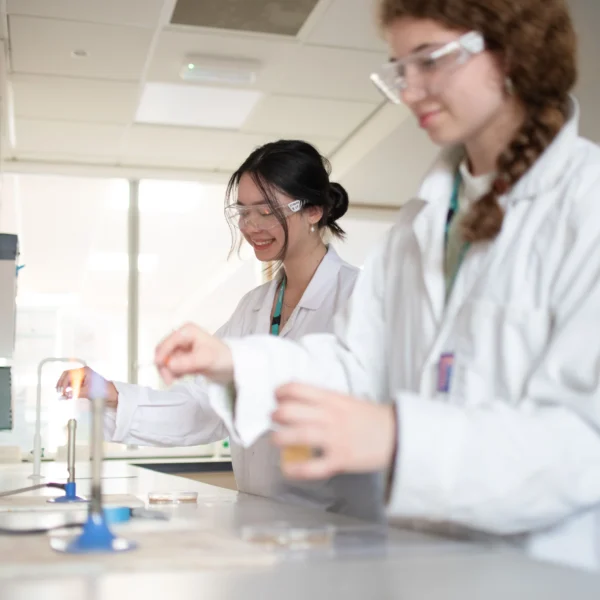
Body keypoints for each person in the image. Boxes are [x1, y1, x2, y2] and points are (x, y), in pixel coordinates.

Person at [153, 0, 600, 571]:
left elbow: (583, 442)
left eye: (430, 60)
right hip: (420, 565)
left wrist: (400, 438)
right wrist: (236, 363)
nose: (410, 91)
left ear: (513, 52)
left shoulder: (585, 209)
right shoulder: (422, 222)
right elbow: (353, 365)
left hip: (543, 573)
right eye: (399, 69)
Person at [56, 139, 384, 522]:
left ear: (313, 211)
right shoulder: (255, 306)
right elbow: (205, 405)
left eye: (266, 211)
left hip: (338, 526)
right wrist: (111, 395)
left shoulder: (360, 298)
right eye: (243, 211)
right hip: (261, 519)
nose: (251, 226)